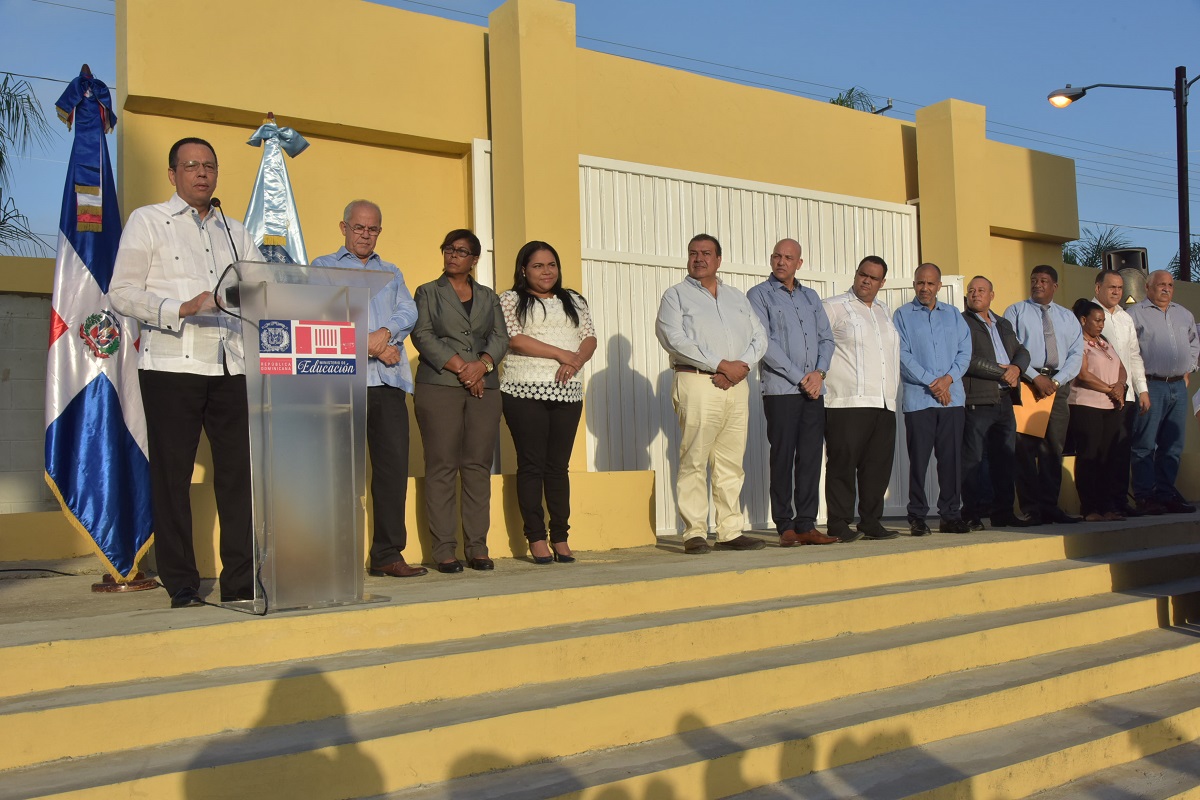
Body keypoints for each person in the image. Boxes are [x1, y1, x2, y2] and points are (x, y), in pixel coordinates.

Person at [109, 137, 262, 608]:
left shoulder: (236, 231)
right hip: (172, 366)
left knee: (239, 476)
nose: (202, 173)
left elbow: (261, 290)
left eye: (210, 166)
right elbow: (121, 292)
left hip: (231, 366)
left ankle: (240, 583)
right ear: (172, 174)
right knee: (172, 478)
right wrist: (180, 307)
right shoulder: (149, 221)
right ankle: (182, 583)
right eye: (191, 165)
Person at [311, 200, 426, 578]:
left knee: (392, 471)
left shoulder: (391, 271)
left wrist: (383, 334)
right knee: (336, 472)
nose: (365, 234)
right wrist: (370, 344)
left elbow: (407, 312)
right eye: (359, 227)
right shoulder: (323, 268)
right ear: (343, 227)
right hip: (340, 382)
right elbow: (322, 315)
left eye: (373, 229)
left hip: (388, 382)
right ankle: (333, 557)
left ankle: (387, 555)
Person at [655, 233, 768, 554]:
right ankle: (694, 532)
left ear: (719, 260)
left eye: (706, 253)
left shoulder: (736, 297)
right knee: (694, 458)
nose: (699, 258)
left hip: (736, 385)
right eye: (693, 253)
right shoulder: (675, 296)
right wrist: (719, 364)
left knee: (731, 462)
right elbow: (673, 337)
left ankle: (730, 531)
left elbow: (759, 336)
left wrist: (741, 366)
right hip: (697, 382)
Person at [411, 229, 508, 573]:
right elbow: (422, 334)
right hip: (439, 385)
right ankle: (444, 549)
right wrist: (463, 369)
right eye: (448, 249)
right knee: (441, 466)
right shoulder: (427, 292)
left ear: (474, 260)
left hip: (485, 388)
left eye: (461, 251)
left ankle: (477, 547)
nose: (452, 255)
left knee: (477, 466)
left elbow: (500, 335)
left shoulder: (488, 296)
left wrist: (480, 367)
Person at [499, 241, 597, 565]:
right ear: (524, 269)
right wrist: (560, 354)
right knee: (531, 464)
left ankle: (561, 536)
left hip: (568, 392)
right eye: (538, 266)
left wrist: (575, 362)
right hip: (523, 389)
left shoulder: (574, 300)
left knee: (558, 467)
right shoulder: (511, 299)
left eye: (551, 265)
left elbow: (589, 337)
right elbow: (514, 339)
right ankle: (536, 538)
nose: (546, 271)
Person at [747, 239, 839, 547]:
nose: (781, 262)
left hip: (814, 390)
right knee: (783, 456)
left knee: (811, 457)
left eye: (788, 257)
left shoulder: (811, 297)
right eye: (776, 256)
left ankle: (806, 524)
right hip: (781, 391)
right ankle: (785, 524)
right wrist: (802, 377)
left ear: (799, 263)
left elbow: (826, 339)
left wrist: (819, 373)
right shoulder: (759, 295)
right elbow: (764, 344)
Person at [822, 256, 901, 542]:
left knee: (877, 467)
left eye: (873, 278)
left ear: (882, 283)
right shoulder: (833, 307)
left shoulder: (884, 311)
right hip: (847, 401)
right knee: (843, 464)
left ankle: (870, 521)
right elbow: (819, 346)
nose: (866, 281)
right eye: (862, 274)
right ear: (856, 275)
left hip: (883, 402)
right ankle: (839, 524)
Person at [893, 263, 972, 535]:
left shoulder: (953, 315)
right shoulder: (902, 315)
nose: (924, 288)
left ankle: (950, 515)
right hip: (919, 401)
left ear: (939, 286)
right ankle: (917, 516)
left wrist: (947, 380)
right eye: (919, 283)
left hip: (953, 400)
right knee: (919, 461)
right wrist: (932, 382)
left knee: (950, 460)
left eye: (930, 283)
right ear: (914, 284)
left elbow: (965, 353)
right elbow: (902, 356)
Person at [1003, 265, 1084, 526]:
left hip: (1057, 388)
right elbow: (1010, 348)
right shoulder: (1016, 311)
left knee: (1053, 448)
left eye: (1044, 280)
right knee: (1024, 449)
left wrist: (1056, 381)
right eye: (1034, 279)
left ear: (1055, 286)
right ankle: (1031, 508)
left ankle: (1050, 506)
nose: (1038, 284)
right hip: (1028, 384)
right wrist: (1034, 377)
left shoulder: (1067, 317)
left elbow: (1076, 355)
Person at [961, 276, 1033, 529]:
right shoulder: (962, 322)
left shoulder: (1003, 323)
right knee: (973, 460)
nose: (975, 294)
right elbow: (966, 360)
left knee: (1005, 458)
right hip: (978, 399)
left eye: (981, 290)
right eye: (971, 290)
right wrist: (1001, 372)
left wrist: (1016, 367)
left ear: (992, 295)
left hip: (1005, 399)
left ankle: (1003, 512)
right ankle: (971, 513)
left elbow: (1023, 351)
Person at [1127, 270, 1200, 515]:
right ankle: (1145, 497)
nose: (1166, 289)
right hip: (1150, 385)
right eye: (1160, 285)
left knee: (1173, 444)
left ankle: (1166, 494)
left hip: (1178, 386)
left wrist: (1188, 369)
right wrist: (1140, 387)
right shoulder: (1135, 313)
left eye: (1170, 285)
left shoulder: (1184, 314)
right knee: (1145, 444)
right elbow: (1128, 350)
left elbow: (1194, 343)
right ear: (1148, 287)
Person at [1092, 269, 1149, 518]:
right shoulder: (1088, 315)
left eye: (1119, 288)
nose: (1116, 292)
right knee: (1101, 452)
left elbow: (1134, 356)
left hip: (1126, 396)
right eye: (1111, 287)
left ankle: (1119, 500)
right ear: (1098, 289)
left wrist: (1142, 390)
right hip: (1099, 396)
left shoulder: (1126, 318)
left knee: (1121, 450)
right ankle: (1102, 503)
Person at [1067, 299, 1128, 522]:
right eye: (1098, 320)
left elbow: (1121, 366)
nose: (1102, 325)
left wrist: (1120, 386)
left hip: (1111, 406)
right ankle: (1090, 507)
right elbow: (1082, 375)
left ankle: (1107, 506)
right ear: (1083, 320)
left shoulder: (1103, 341)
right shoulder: (1078, 343)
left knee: (1108, 456)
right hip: (1086, 406)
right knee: (1089, 456)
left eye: (1103, 320)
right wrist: (1109, 390)